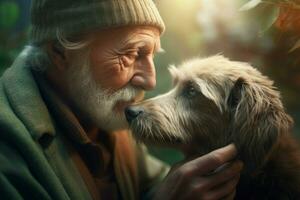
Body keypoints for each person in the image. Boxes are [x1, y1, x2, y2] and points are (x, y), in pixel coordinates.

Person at [0, 0, 243, 199]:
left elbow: (155, 184)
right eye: (132, 54)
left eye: (151, 55)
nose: (149, 80)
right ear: (61, 53)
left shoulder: (100, 110)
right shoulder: (9, 149)